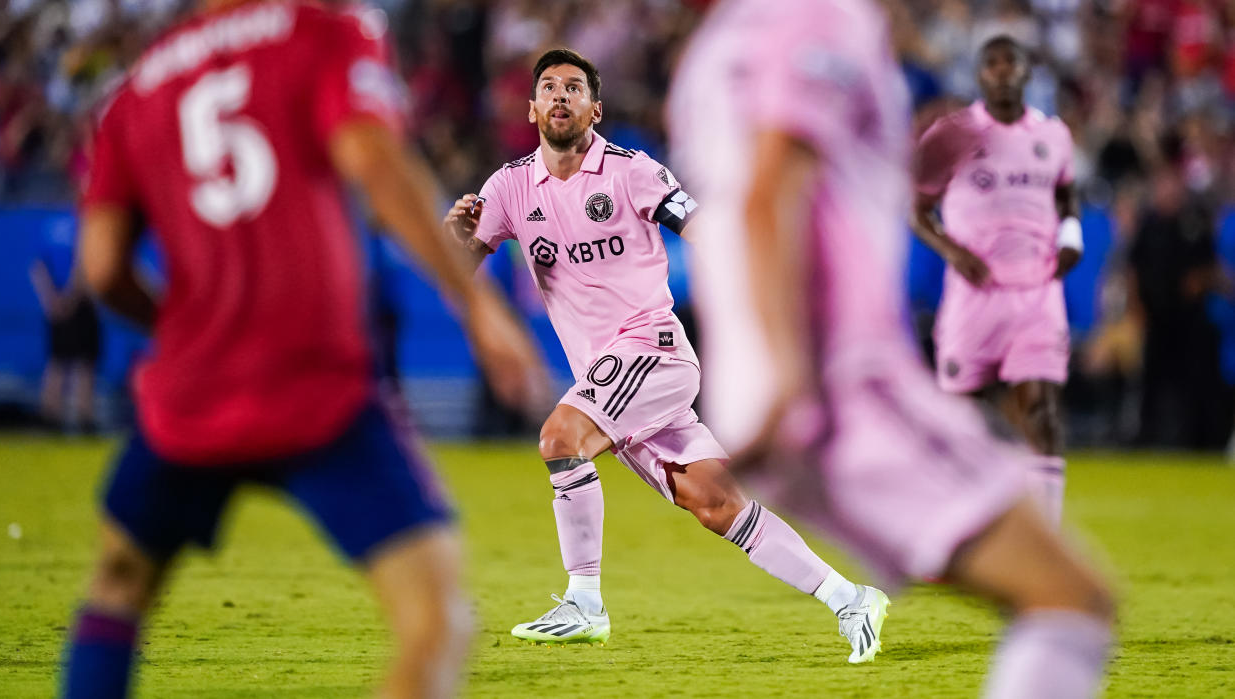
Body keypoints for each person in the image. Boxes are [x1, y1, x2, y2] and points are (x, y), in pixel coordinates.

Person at [60, 2, 543, 698]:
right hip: (314, 382)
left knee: (118, 581)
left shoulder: (134, 92)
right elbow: (373, 160)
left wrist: (182, 326)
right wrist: (477, 305)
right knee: (433, 619)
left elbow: (101, 266)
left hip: (190, 389)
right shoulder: (326, 29)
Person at [668, 1, 1114, 697]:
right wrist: (787, 368)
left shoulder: (720, 44)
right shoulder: (823, 17)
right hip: (841, 380)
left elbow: (774, 192)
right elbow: (771, 191)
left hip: (779, 377)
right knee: (1072, 600)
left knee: (1056, 594)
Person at [443, 48, 889, 661]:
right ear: (532, 107)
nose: (561, 96)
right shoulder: (510, 187)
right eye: (549, 86)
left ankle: (584, 602)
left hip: (652, 351)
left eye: (574, 87)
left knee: (560, 438)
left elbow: (704, 229)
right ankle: (852, 598)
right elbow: (460, 271)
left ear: (595, 109)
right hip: (608, 379)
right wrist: (459, 241)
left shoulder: (633, 172)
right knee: (715, 502)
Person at [910, 35, 1082, 525]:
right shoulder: (952, 135)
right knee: (960, 419)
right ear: (981, 74)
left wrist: (1072, 237)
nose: (1003, 70)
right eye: (993, 63)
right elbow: (917, 209)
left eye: (1012, 61)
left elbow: (1067, 194)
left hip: (1038, 291)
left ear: (1028, 72)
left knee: (1042, 410)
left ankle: (1047, 539)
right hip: (975, 295)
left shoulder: (1054, 136)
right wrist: (953, 251)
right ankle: (943, 529)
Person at [30, 225, 101, 433]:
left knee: (58, 360)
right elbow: (83, 264)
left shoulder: (49, 227)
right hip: (80, 303)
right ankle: (83, 417)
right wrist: (68, 299)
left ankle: (51, 416)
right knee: (83, 362)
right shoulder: (83, 221)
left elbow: (38, 267)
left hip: (56, 303)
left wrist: (51, 300)